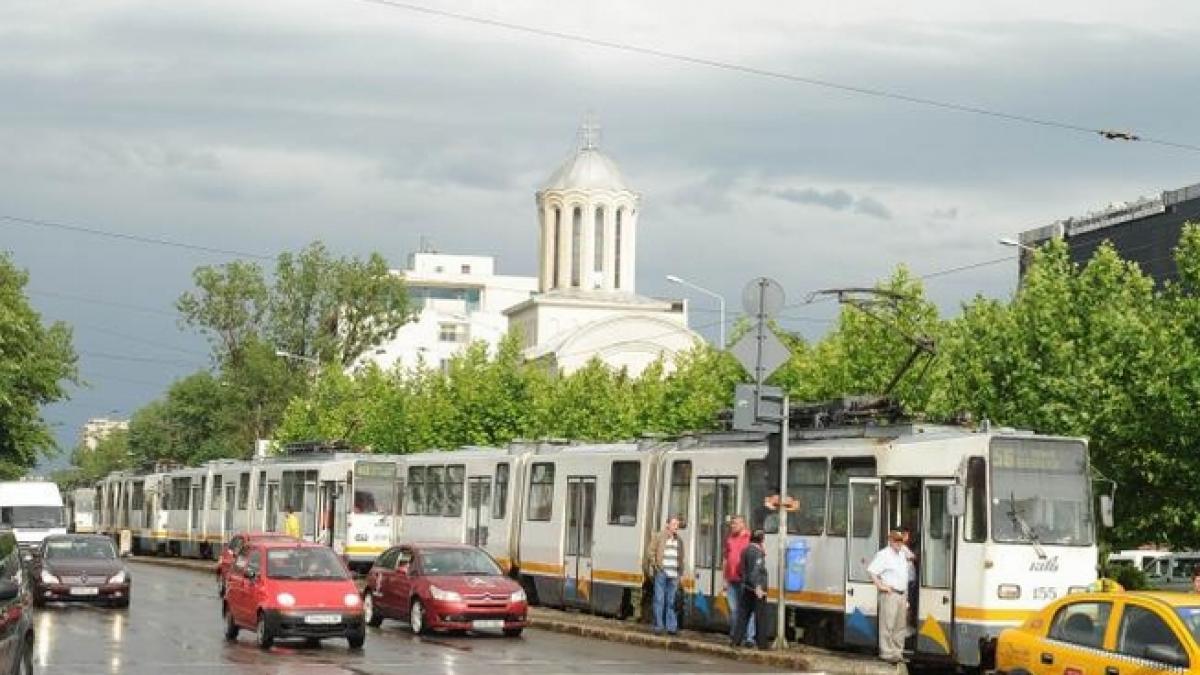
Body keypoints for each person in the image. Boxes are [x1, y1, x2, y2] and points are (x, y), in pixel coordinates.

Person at [868, 530, 910, 663]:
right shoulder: (883, 554)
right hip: (890, 594)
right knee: (888, 625)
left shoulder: (902, 554)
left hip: (902, 594)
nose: (899, 543)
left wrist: (906, 597)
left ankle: (897, 653)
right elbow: (871, 571)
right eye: (896, 540)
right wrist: (881, 586)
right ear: (890, 541)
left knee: (900, 626)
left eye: (900, 541)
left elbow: (904, 575)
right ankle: (886, 653)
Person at [731, 529, 768, 649]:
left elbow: (739, 569)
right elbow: (756, 571)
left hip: (746, 587)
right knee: (760, 617)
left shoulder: (745, 550)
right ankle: (762, 644)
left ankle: (736, 640)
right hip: (757, 589)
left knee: (743, 615)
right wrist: (757, 586)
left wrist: (745, 581)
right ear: (761, 539)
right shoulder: (757, 553)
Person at [648, 515, 685, 635]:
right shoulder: (659, 536)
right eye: (674, 524)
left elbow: (681, 557)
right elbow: (650, 551)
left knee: (671, 601)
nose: (676, 527)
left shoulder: (679, 540)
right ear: (667, 525)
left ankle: (671, 627)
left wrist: (681, 573)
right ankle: (659, 626)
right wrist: (656, 566)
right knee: (659, 599)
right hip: (662, 573)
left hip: (674, 574)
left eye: (677, 525)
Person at [723, 515, 755, 646]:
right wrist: (724, 579)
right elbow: (726, 558)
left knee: (747, 609)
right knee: (734, 609)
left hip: (745, 579)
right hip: (731, 579)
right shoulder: (730, 539)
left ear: (743, 524)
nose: (732, 526)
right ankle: (736, 635)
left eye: (735, 524)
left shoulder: (750, 538)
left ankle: (749, 637)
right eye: (732, 524)